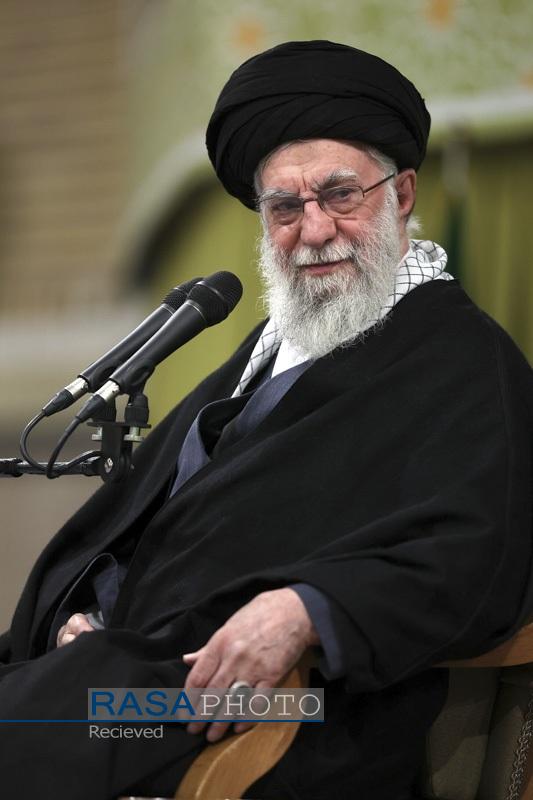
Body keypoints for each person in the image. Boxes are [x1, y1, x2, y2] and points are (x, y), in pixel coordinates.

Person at [0, 40, 532, 800]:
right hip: (135, 677)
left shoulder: (463, 359)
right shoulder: (270, 348)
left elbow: (482, 552)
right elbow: (158, 521)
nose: (313, 231)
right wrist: (81, 608)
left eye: (339, 195)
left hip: (272, 707)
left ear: (402, 194)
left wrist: (307, 609)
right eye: (285, 207)